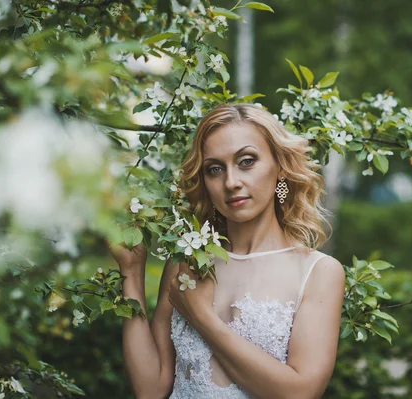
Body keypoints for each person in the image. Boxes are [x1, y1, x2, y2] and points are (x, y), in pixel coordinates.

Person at [110, 103, 346, 399]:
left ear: (281, 169)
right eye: (215, 169)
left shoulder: (318, 272)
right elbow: (151, 390)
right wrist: (131, 272)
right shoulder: (186, 262)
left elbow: (299, 393)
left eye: (247, 161)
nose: (231, 182)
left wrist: (200, 317)